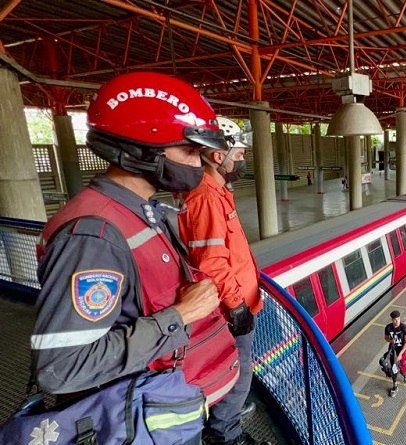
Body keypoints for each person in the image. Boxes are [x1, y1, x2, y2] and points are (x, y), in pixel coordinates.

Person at [32, 72, 240, 445]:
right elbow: (61, 369)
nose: (199, 164)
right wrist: (179, 316)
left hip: (159, 405)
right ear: (143, 151)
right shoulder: (92, 235)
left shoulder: (142, 211)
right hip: (129, 419)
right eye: (190, 152)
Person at [178, 141, 266, 444]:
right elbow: (211, 261)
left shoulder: (218, 193)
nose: (242, 161)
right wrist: (237, 305)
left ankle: (223, 426)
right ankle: (225, 436)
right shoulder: (205, 197)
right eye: (240, 155)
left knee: (235, 371)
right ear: (219, 156)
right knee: (238, 373)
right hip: (230, 308)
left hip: (238, 300)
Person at [385, 310, 406, 397]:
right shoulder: (388, 328)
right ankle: (395, 386)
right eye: (395, 320)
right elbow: (386, 338)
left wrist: (400, 354)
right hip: (392, 350)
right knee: (393, 368)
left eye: (398, 319)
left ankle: (405, 373)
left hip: (401, 350)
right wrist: (390, 340)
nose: (397, 321)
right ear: (392, 320)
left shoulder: (404, 328)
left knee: (402, 367)